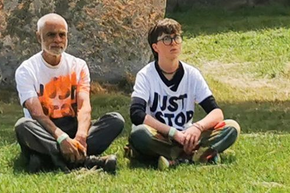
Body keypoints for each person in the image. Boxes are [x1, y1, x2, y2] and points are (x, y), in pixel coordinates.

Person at [14, 13, 124, 174]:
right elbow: (36, 113)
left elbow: (84, 106)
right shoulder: (27, 70)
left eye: (62, 35)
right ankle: (87, 160)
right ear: (39, 37)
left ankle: (46, 159)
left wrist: (80, 136)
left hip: (72, 126)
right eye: (51, 35)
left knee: (115, 120)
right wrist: (61, 138)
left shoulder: (78, 65)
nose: (57, 40)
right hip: (45, 130)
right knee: (23, 126)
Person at [127, 18, 240, 168]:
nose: (173, 43)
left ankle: (173, 157)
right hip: (162, 136)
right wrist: (174, 134)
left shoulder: (192, 74)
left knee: (231, 127)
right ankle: (196, 155)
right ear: (155, 47)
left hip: (188, 136)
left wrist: (197, 128)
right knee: (139, 133)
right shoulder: (146, 75)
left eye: (177, 38)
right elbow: (136, 114)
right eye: (166, 39)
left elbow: (216, 112)